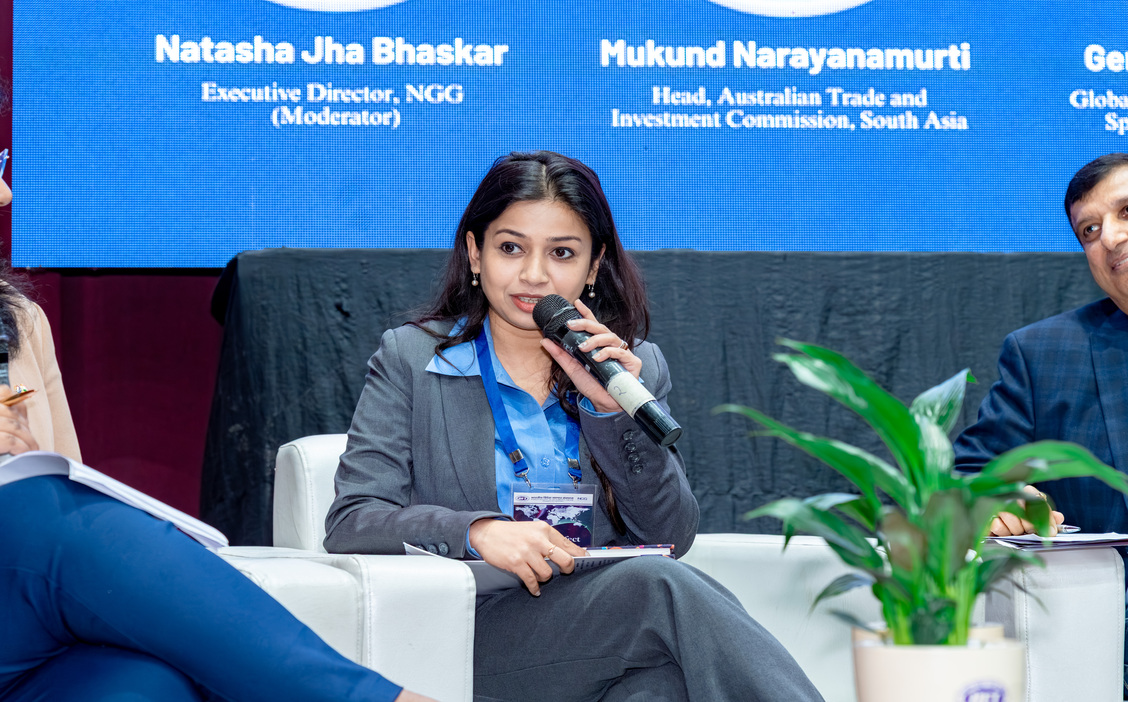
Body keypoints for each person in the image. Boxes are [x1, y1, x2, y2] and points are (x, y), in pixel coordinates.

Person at [325, 150, 824, 701]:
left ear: (592, 267)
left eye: (561, 253)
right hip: (471, 632)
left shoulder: (631, 367)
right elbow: (353, 520)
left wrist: (610, 411)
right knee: (656, 589)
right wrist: (477, 531)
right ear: (474, 252)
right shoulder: (412, 358)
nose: (534, 275)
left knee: (660, 688)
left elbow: (669, 537)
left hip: (606, 634)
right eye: (511, 248)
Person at [0, 180, 433, 700]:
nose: (4, 194)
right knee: (41, 513)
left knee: (153, 682)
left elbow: (63, 478)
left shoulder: (19, 320)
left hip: (24, 628)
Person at [953, 152, 1128, 691]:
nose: (1110, 238)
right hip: (1106, 662)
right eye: (1089, 230)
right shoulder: (1046, 353)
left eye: (1126, 212)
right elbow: (969, 476)